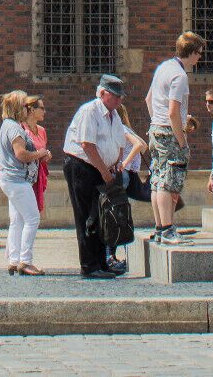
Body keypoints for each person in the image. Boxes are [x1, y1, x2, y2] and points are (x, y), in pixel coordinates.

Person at [63, 75, 133, 278]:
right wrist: (104, 171)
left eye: (121, 97)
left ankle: (102, 263)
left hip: (103, 168)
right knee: (86, 217)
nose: (120, 101)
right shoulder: (89, 111)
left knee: (102, 216)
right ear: (102, 93)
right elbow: (87, 145)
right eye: (116, 96)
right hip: (83, 167)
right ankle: (89, 266)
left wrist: (116, 164)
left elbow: (120, 143)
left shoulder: (115, 115)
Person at [145, 32, 201, 244]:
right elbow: (173, 111)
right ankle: (168, 230)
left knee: (157, 180)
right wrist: (181, 140)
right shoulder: (180, 75)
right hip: (169, 131)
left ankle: (160, 228)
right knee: (168, 183)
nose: (199, 59)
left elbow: (149, 99)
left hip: (155, 129)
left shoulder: (163, 68)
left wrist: (155, 122)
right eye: (199, 54)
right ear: (192, 52)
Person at [0, 91, 49, 276]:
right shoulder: (16, 129)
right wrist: (40, 153)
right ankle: (25, 261)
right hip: (18, 180)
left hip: (9, 179)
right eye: (25, 105)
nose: (27, 108)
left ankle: (13, 260)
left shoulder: (7, 125)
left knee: (17, 221)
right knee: (32, 219)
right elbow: (21, 154)